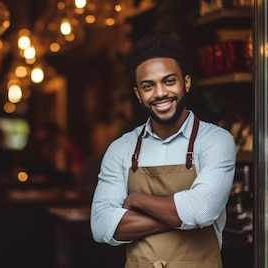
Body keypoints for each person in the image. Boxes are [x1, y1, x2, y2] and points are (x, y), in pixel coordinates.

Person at [89, 34, 236, 267]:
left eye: (169, 81)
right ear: (138, 94)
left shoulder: (215, 141)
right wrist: (186, 215)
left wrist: (136, 199)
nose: (159, 93)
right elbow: (101, 225)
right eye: (148, 86)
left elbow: (203, 209)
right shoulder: (121, 149)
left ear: (186, 83)